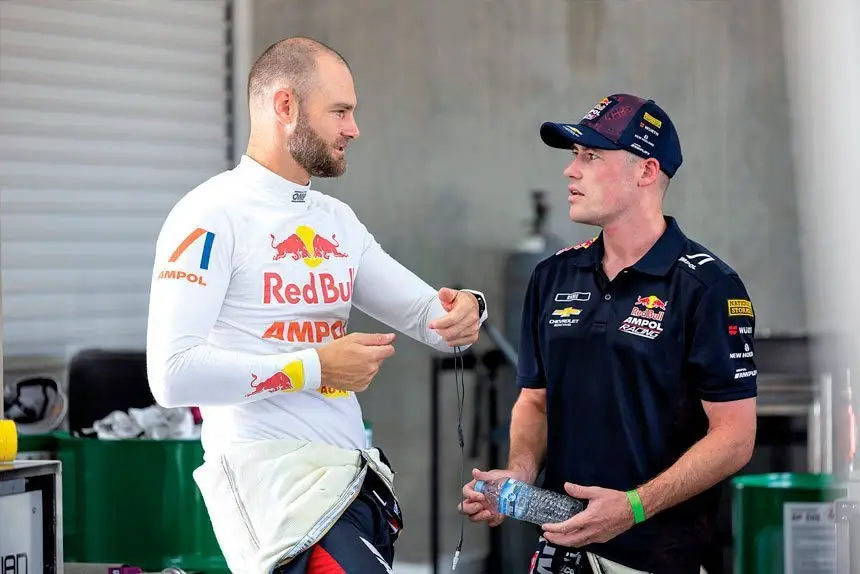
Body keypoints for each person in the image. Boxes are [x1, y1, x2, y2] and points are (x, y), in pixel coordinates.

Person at [146, 37, 488, 574]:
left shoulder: (336, 220)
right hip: (280, 499)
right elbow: (172, 376)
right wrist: (316, 368)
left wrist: (470, 306)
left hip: (354, 487)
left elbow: (435, 321)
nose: (354, 129)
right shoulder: (210, 214)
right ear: (286, 106)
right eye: (340, 111)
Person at [459, 94, 757, 574]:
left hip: (661, 559)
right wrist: (519, 476)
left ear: (646, 172)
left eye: (591, 156)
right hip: (559, 553)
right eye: (574, 155)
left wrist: (633, 507)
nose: (570, 171)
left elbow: (736, 436)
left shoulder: (708, 287)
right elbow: (535, 402)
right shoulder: (552, 276)